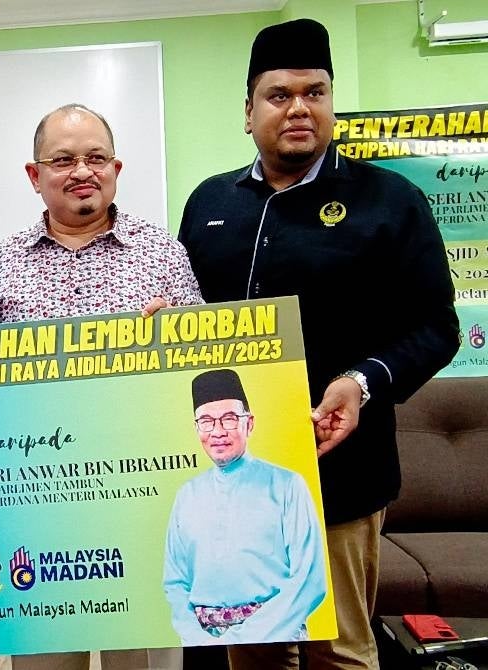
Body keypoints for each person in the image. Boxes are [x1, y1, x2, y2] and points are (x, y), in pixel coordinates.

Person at [178, 18, 459, 669]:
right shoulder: (209, 204)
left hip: (342, 471)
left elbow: (436, 329)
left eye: (315, 92)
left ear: (332, 101)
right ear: (249, 112)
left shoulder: (390, 201)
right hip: (233, 480)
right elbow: (189, 326)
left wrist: (361, 382)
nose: (299, 108)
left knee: (339, 651)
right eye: (280, 95)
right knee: (252, 651)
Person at [0, 103, 199, 670]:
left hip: (147, 505)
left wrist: (177, 340)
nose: (83, 171)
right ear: (35, 176)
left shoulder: (164, 254)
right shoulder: (4, 263)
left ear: (117, 168)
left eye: (96, 157)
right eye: (64, 159)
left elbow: (209, 375)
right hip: (37, 505)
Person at [163, 368, 327, 646]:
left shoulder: (287, 485)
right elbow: (175, 582)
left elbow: (310, 579)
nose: (217, 432)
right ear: (196, 428)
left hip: (274, 633)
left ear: (249, 423)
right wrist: (196, 636)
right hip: (199, 639)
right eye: (206, 421)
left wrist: (246, 635)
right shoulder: (187, 495)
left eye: (229, 419)